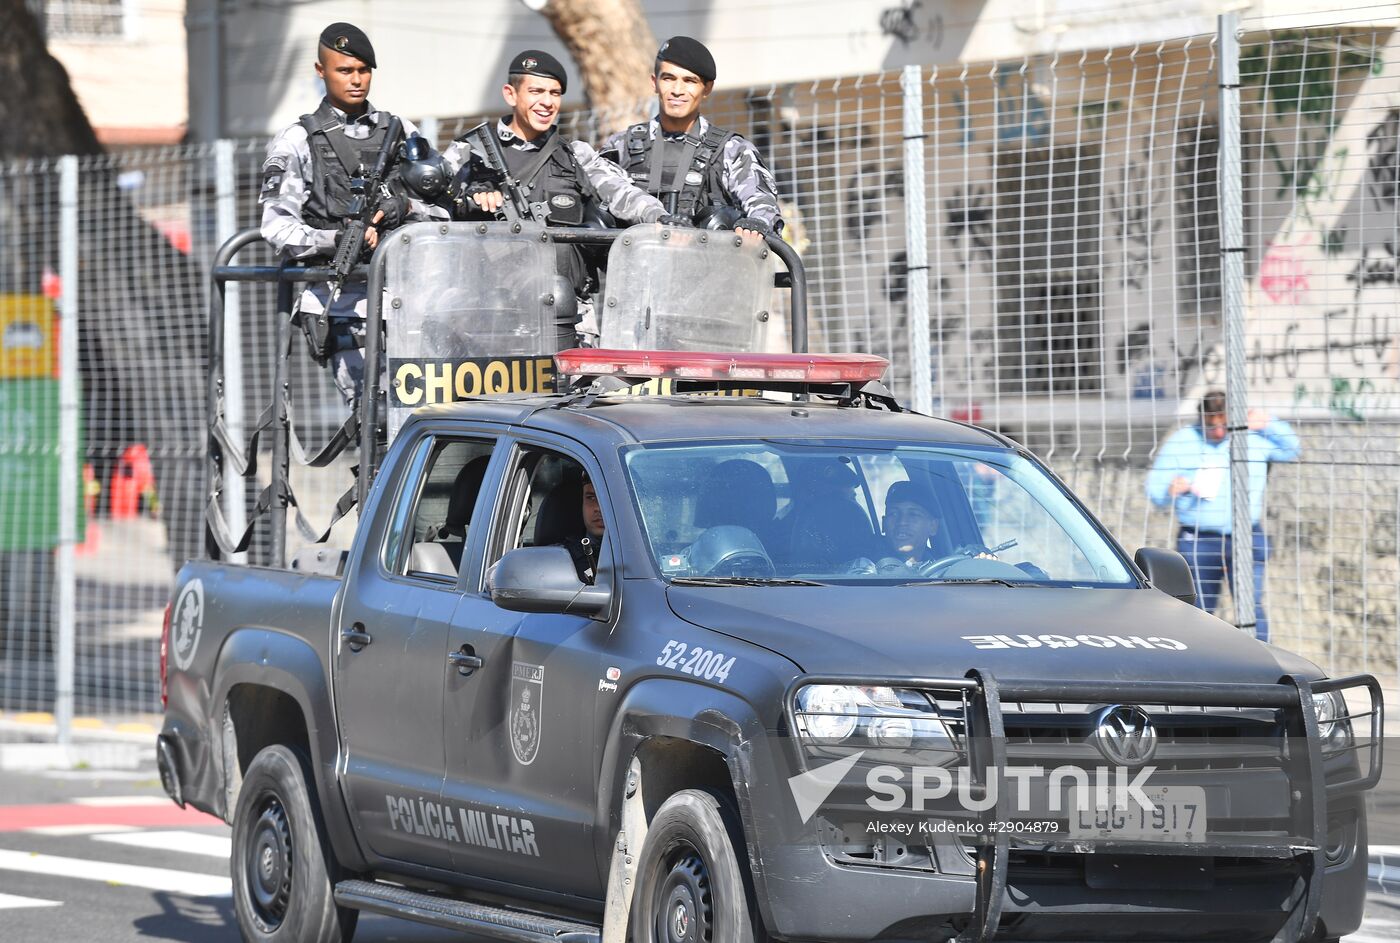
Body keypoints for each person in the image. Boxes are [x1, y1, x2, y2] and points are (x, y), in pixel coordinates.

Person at [258, 22, 441, 406]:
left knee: (425, 418)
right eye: (345, 70)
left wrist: (400, 208)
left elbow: (443, 211)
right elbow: (277, 227)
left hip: (413, 300)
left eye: (363, 70)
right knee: (371, 420)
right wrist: (335, 240)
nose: (356, 80)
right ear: (321, 71)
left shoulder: (400, 132)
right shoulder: (299, 141)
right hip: (342, 303)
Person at [441, 51, 680, 343]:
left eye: (555, 93)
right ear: (510, 94)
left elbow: (622, 193)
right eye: (536, 91)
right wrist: (467, 198)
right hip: (489, 315)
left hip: (569, 316)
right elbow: (432, 208)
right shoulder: (470, 153)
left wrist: (660, 217)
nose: (547, 102)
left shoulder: (575, 155)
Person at [1146, 390, 1301, 641]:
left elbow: (1292, 449)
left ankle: (1263, 664)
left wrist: (1270, 423)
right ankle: (1200, 661)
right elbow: (1155, 491)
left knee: (1250, 605)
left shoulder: (1252, 438)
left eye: (1224, 425)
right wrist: (1171, 488)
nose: (1218, 432)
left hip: (1246, 536)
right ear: (1201, 420)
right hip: (1198, 540)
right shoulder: (1182, 441)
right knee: (1197, 608)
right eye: (1211, 426)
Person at [600, 37, 783, 236]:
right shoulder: (620, 146)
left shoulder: (731, 150)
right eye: (668, 78)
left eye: (690, 81)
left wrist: (756, 224)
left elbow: (762, 205)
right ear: (654, 83)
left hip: (706, 262)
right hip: (633, 262)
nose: (677, 91)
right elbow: (594, 202)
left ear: (707, 88)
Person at [562, 476, 605, 584]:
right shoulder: (563, 559)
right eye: (591, 498)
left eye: (609, 499)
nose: (598, 508)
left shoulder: (649, 558)